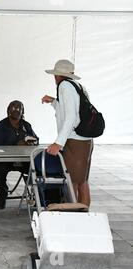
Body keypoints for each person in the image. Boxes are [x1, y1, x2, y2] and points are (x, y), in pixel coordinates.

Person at [42, 59, 93, 207]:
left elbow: (71, 116)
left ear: (58, 75)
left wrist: (59, 142)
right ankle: (84, 216)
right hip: (85, 140)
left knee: (72, 183)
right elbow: (72, 111)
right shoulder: (78, 86)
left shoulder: (64, 86)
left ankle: (74, 217)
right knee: (82, 180)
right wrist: (53, 102)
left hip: (75, 142)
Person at [0, 100, 38, 209]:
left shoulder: (26, 125)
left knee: (36, 169)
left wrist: (33, 142)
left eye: (18, 108)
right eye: (13, 108)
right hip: (5, 160)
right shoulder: (1, 125)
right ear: (8, 110)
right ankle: (3, 193)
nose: (16, 110)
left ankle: (36, 195)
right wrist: (16, 144)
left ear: (22, 111)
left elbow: (36, 139)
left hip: (23, 160)